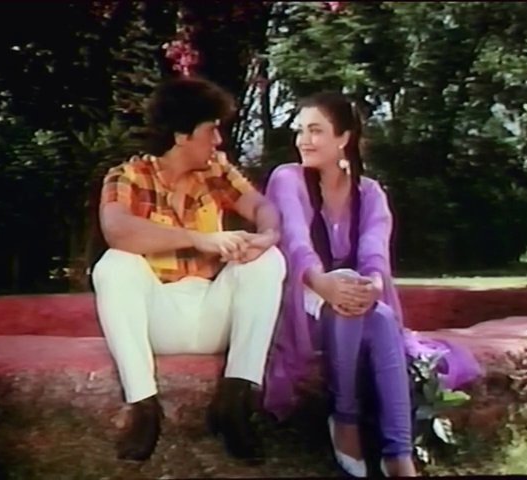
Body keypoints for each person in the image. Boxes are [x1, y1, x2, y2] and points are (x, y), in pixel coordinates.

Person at [263, 92, 482, 477]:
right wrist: (322, 283)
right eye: (300, 131)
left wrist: (374, 286)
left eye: (316, 131)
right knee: (356, 311)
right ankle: (347, 419)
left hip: (354, 301)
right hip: (304, 299)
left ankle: (398, 452)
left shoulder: (370, 193)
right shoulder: (287, 179)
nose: (303, 140)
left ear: (343, 138)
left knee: (378, 316)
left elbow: (374, 252)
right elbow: (295, 241)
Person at [91, 77, 286, 464]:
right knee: (114, 264)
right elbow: (116, 229)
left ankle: (235, 401)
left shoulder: (217, 172)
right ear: (182, 135)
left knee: (269, 258)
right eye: (211, 129)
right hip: (159, 316)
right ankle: (145, 408)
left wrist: (267, 235)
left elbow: (261, 206)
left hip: (214, 313)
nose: (218, 140)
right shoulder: (128, 176)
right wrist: (198, 239)